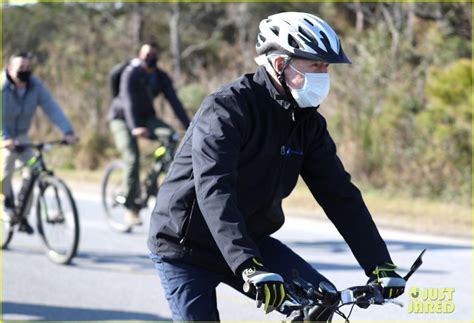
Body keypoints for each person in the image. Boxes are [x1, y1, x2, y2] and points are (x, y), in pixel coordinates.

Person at [147, 12, 406, 321]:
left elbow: (340, 195)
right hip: (187, 247)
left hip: (250, 240)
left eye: (326, 67)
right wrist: (247, 264)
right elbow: (215, 190)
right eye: (315, 65)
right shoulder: (227, 108)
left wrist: (378, 263)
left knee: (321, 305)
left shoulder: (308, 123)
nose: (324, 75)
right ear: (281, 64)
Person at [108, 42, 190, 226]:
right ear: (140, 55)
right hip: (122, 118)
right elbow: (127, 100)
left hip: (146, 117)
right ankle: (130, 207)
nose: (150, 58)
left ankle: (152, 183)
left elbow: (174, 102)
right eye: (146, 54)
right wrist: (134, 127)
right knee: (132, 157)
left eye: (153, 54)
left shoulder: (160, 77)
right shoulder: (131, 73)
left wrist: (191, 126)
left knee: (171, 137)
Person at [2, 52, 76, 233]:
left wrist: (68, 131)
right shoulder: (2, 87)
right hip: (3, 136)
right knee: (6, 166)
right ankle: (5, 201)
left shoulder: (35, 86)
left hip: (21, 136)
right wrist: (5, 139)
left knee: (34, 170)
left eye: (28, 68)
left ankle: (21, 214)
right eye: (21, 68)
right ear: (10, 69)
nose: (25, 71)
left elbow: (52, 108)